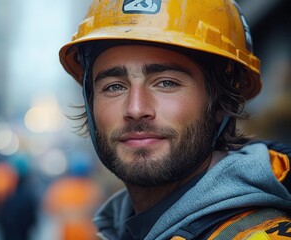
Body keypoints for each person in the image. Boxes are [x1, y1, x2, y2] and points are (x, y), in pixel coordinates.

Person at [59, 0, 291, 239]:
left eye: (166, 83)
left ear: (220, 103)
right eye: (114, 87)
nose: (136, 109)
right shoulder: (122, 226)